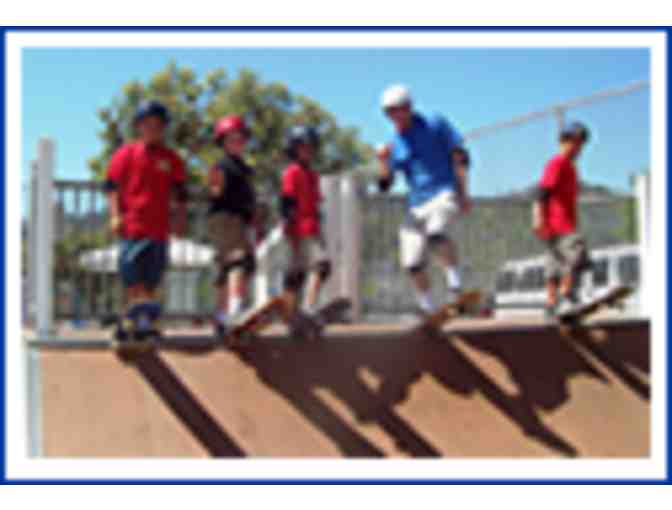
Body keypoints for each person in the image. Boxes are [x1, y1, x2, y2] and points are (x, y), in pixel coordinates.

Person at [376, 84, 472, 314]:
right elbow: (385, 185)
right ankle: (428, 307)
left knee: (436, 233)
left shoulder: (434, 123)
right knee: (412, 262)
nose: (396, 116)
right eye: (391, 113)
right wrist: (383, 161)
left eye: (400, 110)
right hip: (416, 204)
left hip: (443, 192)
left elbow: (460, 156)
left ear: (410, 107)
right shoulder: (395, 143)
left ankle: (455, 284)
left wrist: (463, 192)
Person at [105, 100, 188, 342]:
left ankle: (145, 322)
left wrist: (180, 218)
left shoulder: (171, 159)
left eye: (158, 125)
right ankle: (133, 319)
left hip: (159, 228)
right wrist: (114, 214)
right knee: (132, 275)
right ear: (139, 127)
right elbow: (111, 186)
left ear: (164, 128)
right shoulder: (126, 153)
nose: (153, 129)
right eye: (147, 124)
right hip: (132, 225)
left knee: (152, 278)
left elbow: (180, 193)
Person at [532, 121, 592, 318]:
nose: (579, 149)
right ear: (564, 142)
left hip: (559, 225)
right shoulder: (557, 163)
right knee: (577, 253)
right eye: (576, 143)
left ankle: (551, 304)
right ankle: (566, 294)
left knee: (555, 264)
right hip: (559, 224)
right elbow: (542, 192)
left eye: (581, 145)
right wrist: (538, 218)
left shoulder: (571, 167)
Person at [207, 115, 258, 339]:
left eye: (240, 138)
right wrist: (215, 188)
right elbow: (215, 189)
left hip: (239, 220)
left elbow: (249, 198)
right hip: (225, 218)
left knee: (230, 268)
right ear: (223, 142)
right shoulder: (222, 165)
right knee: (237, 261)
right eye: (231, 139)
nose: (237, 142)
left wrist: (254, 217)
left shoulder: (245, 169)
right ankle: (235, 309)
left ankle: (221, 317)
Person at [280, 125, 332, 323]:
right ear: (293, 149)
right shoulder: (291, 172)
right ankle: (302, 309)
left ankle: (296, 311)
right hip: (298, 227)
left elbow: (316, 203)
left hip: (312, 227)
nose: (307, 151)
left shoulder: (313, 175)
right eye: (303, 147)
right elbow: (287, 201)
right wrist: (289, 226)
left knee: (311, 269)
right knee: (316, 267)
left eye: (311, 147)